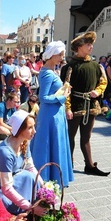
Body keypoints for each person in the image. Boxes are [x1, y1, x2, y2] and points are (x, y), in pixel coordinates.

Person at [64, 31, 110, 177]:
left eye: (91, 44)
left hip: (90, 105)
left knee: (86, 138)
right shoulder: (70, 67)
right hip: (75, 106)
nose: (91, 47)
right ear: (79, 46)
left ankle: (89, 166)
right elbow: (65, 89)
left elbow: (103, 82)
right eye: (88, 44)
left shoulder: (96, 66)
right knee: (69, 137)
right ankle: (68, 166)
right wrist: (67, 108)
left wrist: (97, 91)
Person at [31, 41, 74, 187]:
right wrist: (63, 96)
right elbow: (43, 98)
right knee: (50, 144)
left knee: (55, 144)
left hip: (55, 113)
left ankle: (54, 176)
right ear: (51, 55)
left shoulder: (51, 71)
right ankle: (47, 177)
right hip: (51, 115)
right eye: (60, 54)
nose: (62, 57)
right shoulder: (47, 73)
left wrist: (63, 90)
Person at [0, 110, 47, 216]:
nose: (34, 131)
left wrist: (45, 187)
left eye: (34, 126)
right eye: (30, 128)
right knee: (27, 177)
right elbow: (6, 189)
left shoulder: (24, 142)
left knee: (31, 177)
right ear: (19, 129)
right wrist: (30, 207)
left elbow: (30, 167)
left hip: (13, 182)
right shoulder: (5, 153)